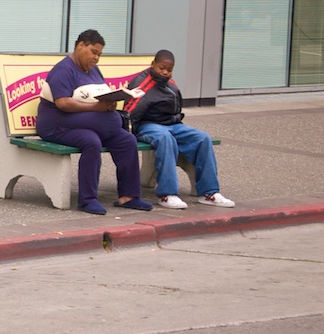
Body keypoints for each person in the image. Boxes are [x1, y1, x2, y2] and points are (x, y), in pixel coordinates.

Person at [36, 29, 153, 215]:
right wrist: (96, 109)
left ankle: (129, 196)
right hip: (58, 125)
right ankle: (87, 200)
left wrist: (109, 103)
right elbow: (63, 103)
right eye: (94, 52)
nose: (96, 58)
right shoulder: (63, 70)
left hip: (85, 123)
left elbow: (98, 95)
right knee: (91, 141)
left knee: (127, 140)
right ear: (80, 46)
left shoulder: (93, 70)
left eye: (99, 54)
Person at [123, 50, 235, 209]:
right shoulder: (142, 84)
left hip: (172, 124)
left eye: (169, 70)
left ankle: (208, 192)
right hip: (147, 125)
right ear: (153, 64)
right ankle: (167, 194)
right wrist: (129, 134)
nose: (165, 72)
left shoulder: (170, 83)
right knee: (165, 138)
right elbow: (130, 113)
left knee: (203, 138)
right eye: (161, 68)